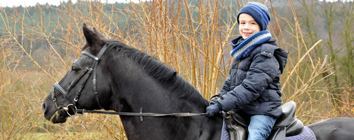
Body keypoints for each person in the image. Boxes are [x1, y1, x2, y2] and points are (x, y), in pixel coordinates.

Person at [206, 2, 288, 140]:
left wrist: (222, 104)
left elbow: (250, 88)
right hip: (242, 109)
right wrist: (218, 100)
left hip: (262, 111)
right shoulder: (242, 52)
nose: (246, 27)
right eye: (242, 23)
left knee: (255, 135)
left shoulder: (265, 53)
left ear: (261, 26)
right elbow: (230, 84)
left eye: (252, 23)